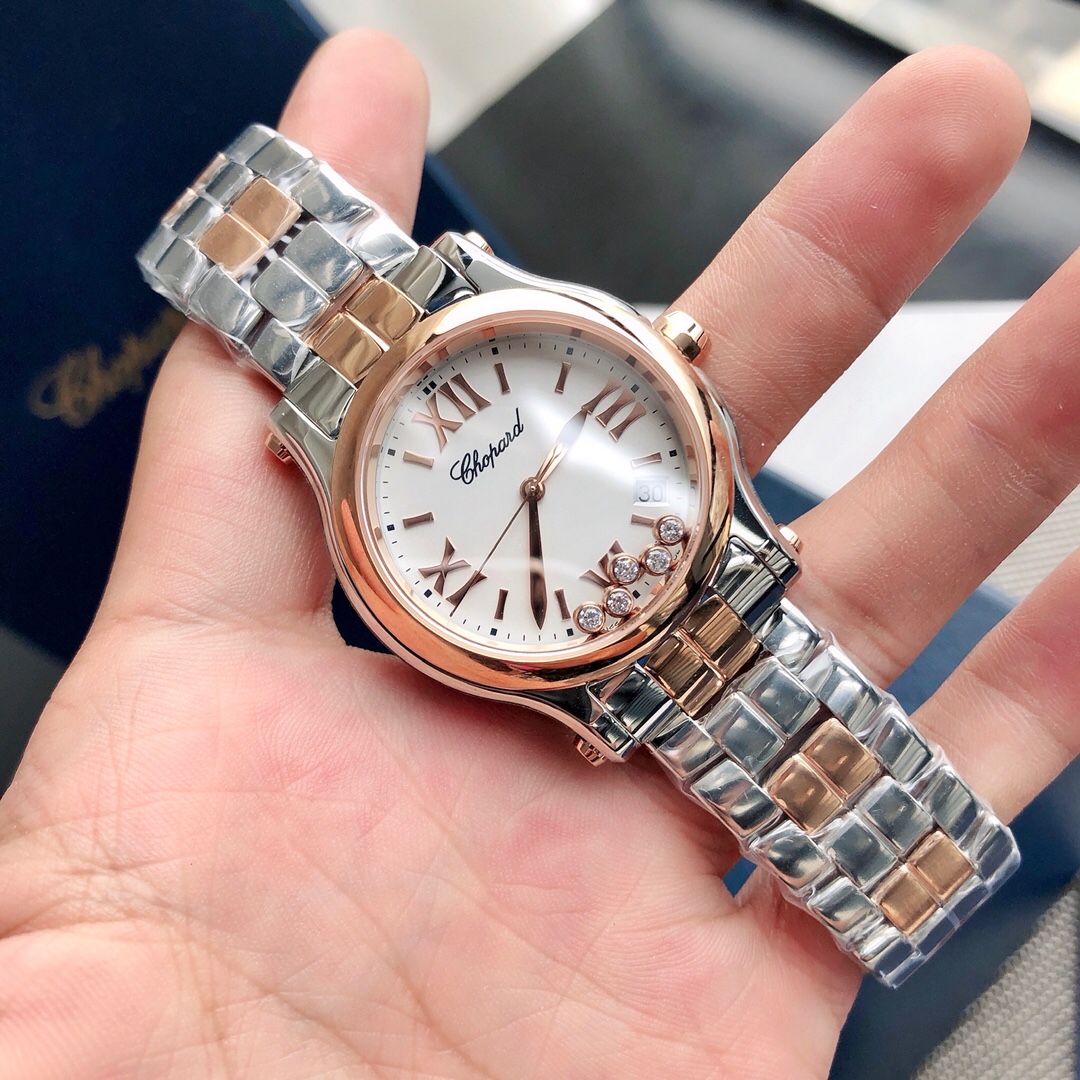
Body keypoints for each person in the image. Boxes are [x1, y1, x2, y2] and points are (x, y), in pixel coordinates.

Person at [1, 28, 1076, 1080]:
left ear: (667, 357)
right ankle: (918, 876)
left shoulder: (491, 315)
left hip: (689, 570)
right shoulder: (356, 471)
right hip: (618, 658)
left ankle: (930, 870)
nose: (528, 484)